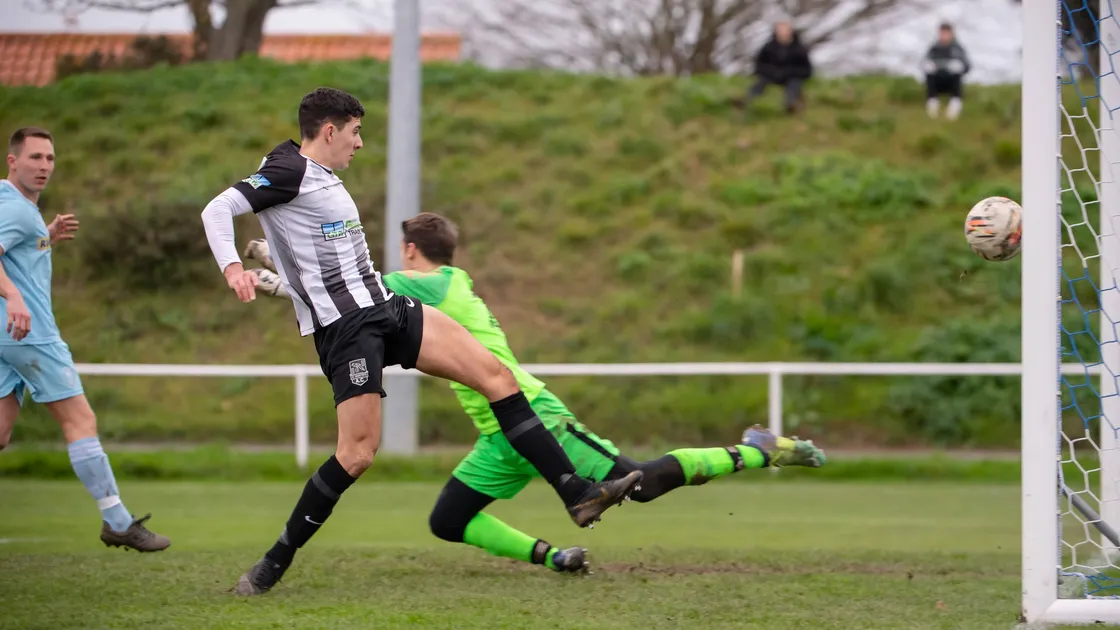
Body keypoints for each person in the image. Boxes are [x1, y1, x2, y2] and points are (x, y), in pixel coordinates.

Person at [200, 88, 643, 595]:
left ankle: (577, 493)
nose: (359, 143)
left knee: (497, 377)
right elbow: (217, 210)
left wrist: (280, 268)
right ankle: (273, 562)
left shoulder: (310, 173)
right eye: (355, 132)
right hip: (349, 331)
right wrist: (233, 267)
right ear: (330, 130)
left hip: (386, 306)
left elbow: (310, 250)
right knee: (357, 454)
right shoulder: (288, 171)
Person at [243, 212, 827, 573]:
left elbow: (353, 289)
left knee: (643, 484)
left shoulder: (429, 284)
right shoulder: (452, 282)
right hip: (497, 436)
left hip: (533, 416)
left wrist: (275, 268)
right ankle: (556, 557)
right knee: (448, 519)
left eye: (403, 251)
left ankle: (760, 449)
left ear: (412, 251)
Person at [0, 127, 171, 552]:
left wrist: (46, 238)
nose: (44, 166)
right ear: (12, 161)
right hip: (28, 333)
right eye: (35, 157)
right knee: (80, 421)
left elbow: (16, 252)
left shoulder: (17, 206)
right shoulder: (15, 208)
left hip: (7, 337)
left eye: (50, 158)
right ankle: (118, 522)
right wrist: (14, 296)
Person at [742, 21, 813, 115]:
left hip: (791, 76)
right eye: (780, 31)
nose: (783, 33)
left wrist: (790, 73)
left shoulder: (799, 49)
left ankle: (791, 104)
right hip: (772, 75)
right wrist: (771, 72)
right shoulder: (768, 48)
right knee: (760, 82)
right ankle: (747, 101)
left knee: (794, 84)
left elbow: (807, 70)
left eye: (785, 31)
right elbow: (759, 65)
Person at [922, 22, 971, 120]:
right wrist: (929, 65)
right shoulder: (934, 48)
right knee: (929, 71)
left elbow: (968, 66)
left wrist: (961, 66)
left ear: (951, 34)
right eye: (942, 33)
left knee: (957, 72)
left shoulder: (958, 49)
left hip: (952, 82)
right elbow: (924, 62)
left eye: (946, 34)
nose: (944, 36)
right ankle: (932, 101)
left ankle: (955, 101)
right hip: (937, 81)